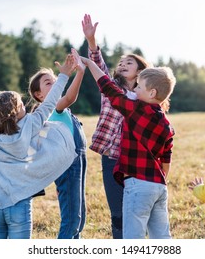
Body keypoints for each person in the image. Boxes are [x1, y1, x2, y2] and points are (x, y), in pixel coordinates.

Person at [73, 48, 176, 239]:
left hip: (136, 185)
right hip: (159, 186)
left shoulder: (135, 110)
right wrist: (162, 180)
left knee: (132, 237)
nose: (135, 91)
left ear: (151, 92)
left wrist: (89, 63)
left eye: (139, 87)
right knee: (162, 237)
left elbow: (108, 88)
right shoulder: (167, 124)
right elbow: (166, 157)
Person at [0, 54, 78, 239]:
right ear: (16, 112)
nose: (25, 106)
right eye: (22, 105)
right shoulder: (32, 123)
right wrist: (64, 76)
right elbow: (51, 102)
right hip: (20, 204)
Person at [82, 14, 150, 238]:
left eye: (128, 62)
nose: (122, 64)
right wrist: (92, 41)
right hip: (111, 157)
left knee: (137, 211)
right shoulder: (110, 89)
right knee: (117, 212)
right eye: (120, 62)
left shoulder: (146, 98)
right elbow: (98, 64)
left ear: (140, 71)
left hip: (137, 159)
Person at [27, 56, 87, 239]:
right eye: (48, 82)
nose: (55, 82)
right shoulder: (50, 107)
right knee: (71, 219)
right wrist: (80, 72)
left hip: (77, 161)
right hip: (67, 163)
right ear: (39, 95)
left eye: (56, 80)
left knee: (79, 217)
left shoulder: (58, 108)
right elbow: (70, 96)